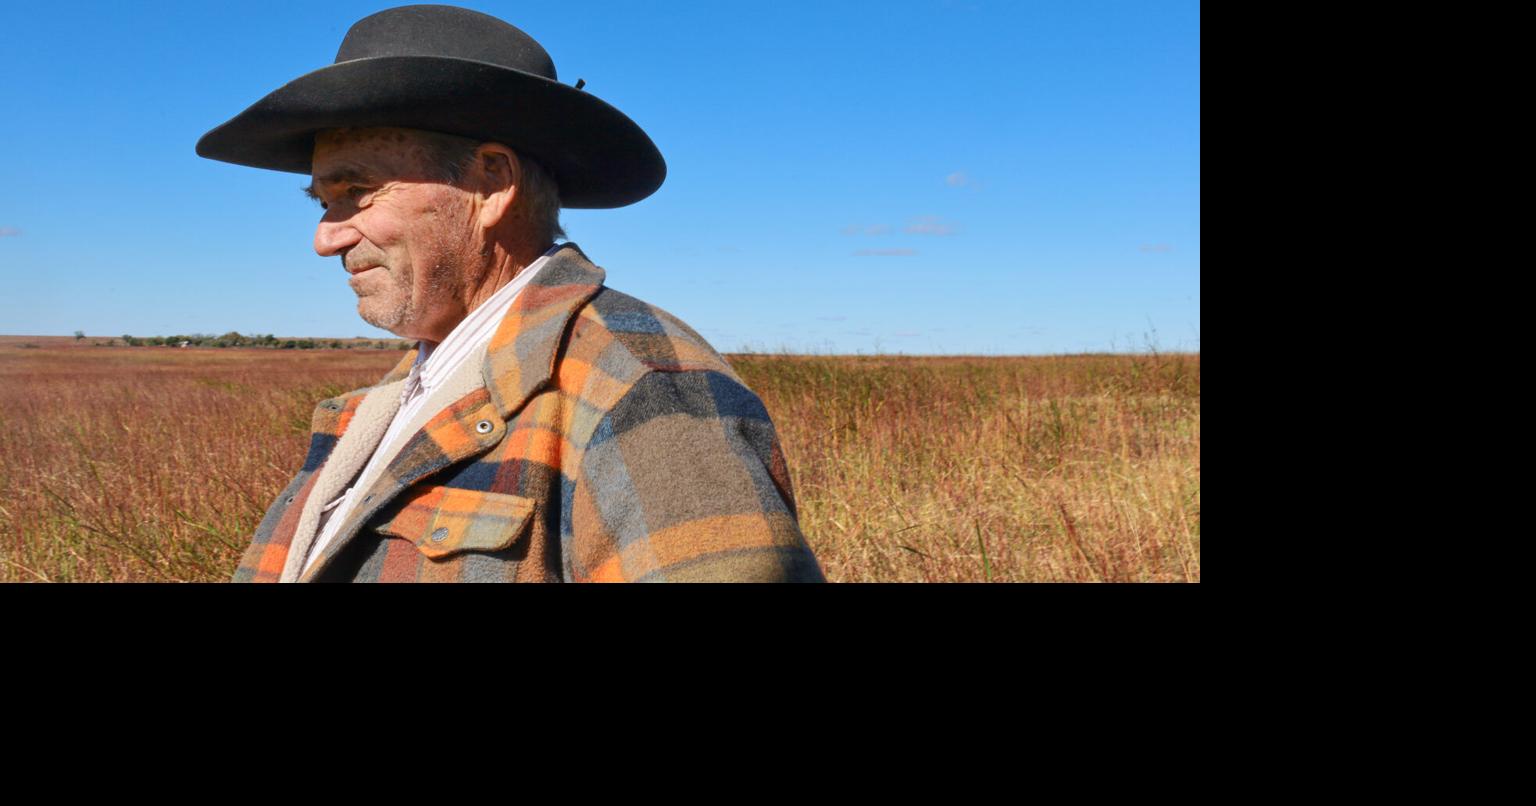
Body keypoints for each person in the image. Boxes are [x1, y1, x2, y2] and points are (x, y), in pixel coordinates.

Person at [196, 5, 826, 582]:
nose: (325, 239)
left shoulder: (639, 387)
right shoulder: (397, 400)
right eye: (324, 201)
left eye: (357, 192)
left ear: (492, 183)